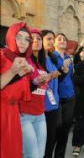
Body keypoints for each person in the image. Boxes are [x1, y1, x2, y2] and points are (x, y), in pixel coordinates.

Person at [1, 22, 33, 158]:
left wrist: (34, 82)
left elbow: (12, 87)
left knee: (12, 151)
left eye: (27, 39)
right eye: (18, 37)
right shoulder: (2, 55)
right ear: (10, 36)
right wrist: (13, 71)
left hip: (13, 113)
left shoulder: (21, 60)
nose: (23, 42)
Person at [19, 28, 49, 158]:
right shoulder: (23, 61)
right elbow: (20, 88)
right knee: (32, 155)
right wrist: (35, 82)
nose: (36, 41)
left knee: (40, 154)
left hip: (40, 115)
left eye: (39, 39)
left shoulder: (42, 65)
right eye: (33, 39)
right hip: (25, 115)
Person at [53, 33, 76, 158]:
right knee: (57, 129)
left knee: (65, 130)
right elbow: (56, 77)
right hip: (58, 98)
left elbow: (70, 76)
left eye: (64, 39)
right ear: (55, 43)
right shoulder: (52, 57)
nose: (62, 41)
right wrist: (63, 68)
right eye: (59, 39)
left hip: (70, 97)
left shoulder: (68, 57)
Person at [41, 30, 61, 158]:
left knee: (51, 139)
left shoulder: (52, 58)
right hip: (43, 105)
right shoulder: (38, 59)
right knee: (43, 142)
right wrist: (49, 76)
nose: (51, 41)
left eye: (52, 39)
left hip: (54, 104)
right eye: (48, 38)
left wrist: (61, 71)